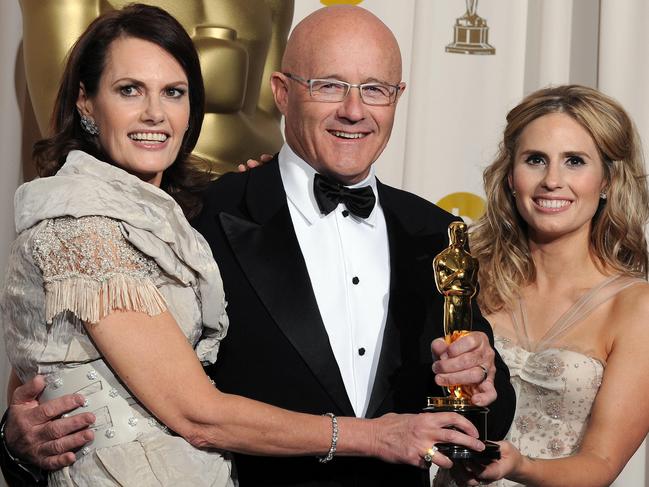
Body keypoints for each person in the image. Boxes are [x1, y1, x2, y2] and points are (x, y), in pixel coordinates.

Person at [1, 5, 516, 487]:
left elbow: (483, 413)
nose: (354, 110)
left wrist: (483, 389)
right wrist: (16, 438)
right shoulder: (194, 219)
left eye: (375, 89)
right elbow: (65, 366)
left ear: (397, 97)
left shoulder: (436, 232)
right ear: (283, 91)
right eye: (330, 85)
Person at [465, 85, 649, 486]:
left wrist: (520, 466)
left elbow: (601, 463)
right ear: (511, 177)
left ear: (606, 181)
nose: (552, 180)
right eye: (535, 160)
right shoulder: (466, 278)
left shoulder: (636, 307)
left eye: (574, 161)